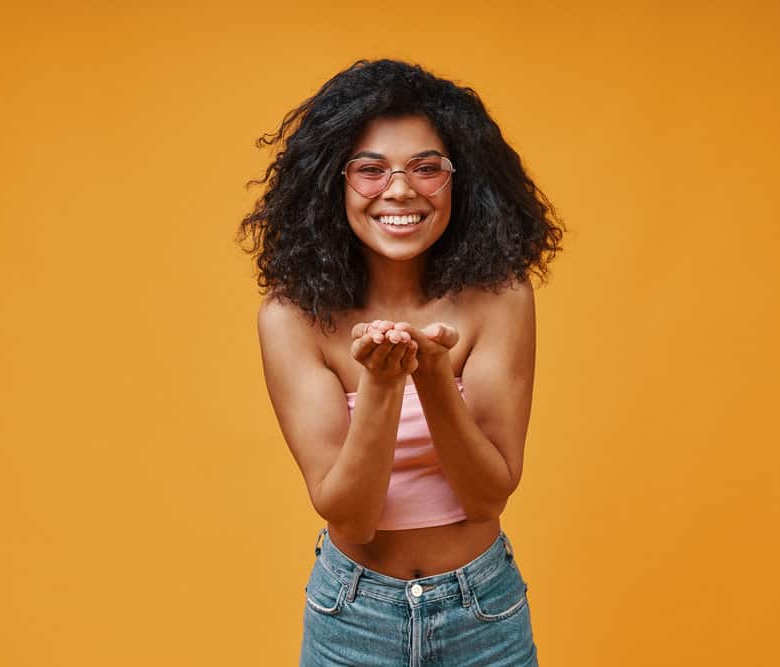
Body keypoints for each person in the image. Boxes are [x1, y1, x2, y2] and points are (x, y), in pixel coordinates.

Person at [238, 59, 564, 666]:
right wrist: (382, 385)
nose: (399, 190)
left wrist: (435, 376)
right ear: (330, 184)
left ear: (459, 180)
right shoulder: (290, 319)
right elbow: (352, 518)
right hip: (352, 619)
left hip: (483, 612)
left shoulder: (500, 298)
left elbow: (489, 495)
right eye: (370, 170)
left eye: (426, 168)